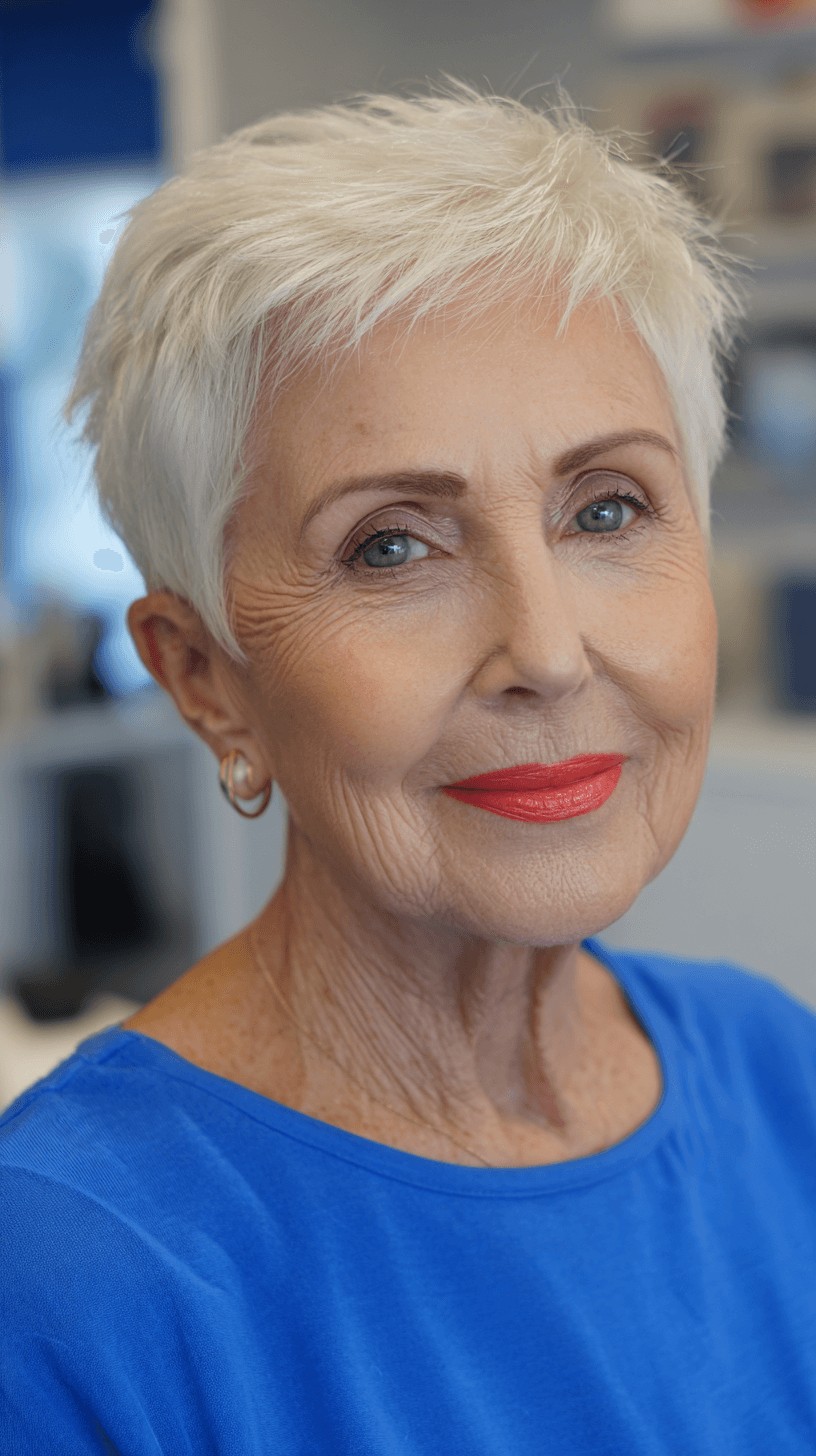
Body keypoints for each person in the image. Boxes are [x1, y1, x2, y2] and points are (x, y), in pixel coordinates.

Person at [2, 80, 815, 1454]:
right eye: (391, 546)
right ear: (204, 677)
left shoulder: (780, 1075)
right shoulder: (67, 1287)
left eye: (606, 509)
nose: (545, 653)